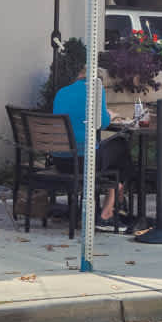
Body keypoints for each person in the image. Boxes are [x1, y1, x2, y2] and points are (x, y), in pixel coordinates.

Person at [50, 65, 128, 228]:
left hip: (60, 160)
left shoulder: (62, 92)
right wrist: (111, 115)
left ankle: (116, 194)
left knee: (112, 153)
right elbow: (103, 123)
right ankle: (110, 207)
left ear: (79, 74)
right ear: (99, 80)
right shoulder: (96, 91)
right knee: (120, 145)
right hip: (84, 161)